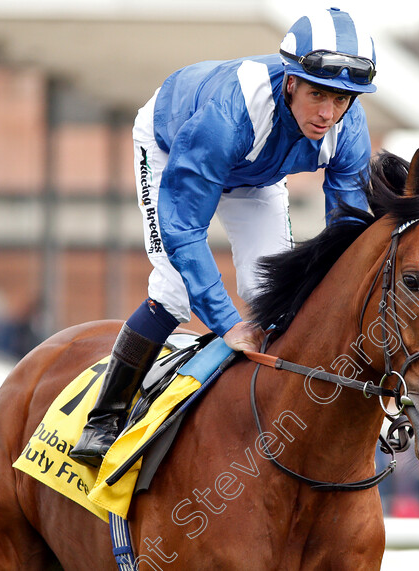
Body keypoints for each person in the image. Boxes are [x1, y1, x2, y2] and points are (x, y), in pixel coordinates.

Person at [69, 7, 378, 467]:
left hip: (257, 172)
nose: (328, 113)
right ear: (291, 81)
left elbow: (349, 232)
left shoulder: (348, 128)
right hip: (173, 147)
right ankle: (104, 419)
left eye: (342, 100)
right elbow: (184, 229)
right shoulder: (228, 115)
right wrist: (226, 323)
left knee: (273, 294)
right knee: (174, 290)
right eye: (318, 95)